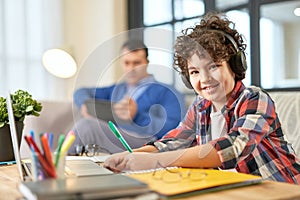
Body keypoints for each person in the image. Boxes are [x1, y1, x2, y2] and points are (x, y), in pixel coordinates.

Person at [104, 12, 300, 184]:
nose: (205, 79)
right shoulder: (201, 107)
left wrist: (156, 161)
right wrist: (129, 156)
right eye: (195, 71)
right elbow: (173, 143)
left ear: (235, 66)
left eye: (213, 66)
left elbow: (233, 148)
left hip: (281, 190)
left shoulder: (255, 99)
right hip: (235, 189)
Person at [69, 39, 186, 155]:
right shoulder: (117, 89)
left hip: (145, 141)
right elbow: (80, 92)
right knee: (86, 125)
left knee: (87, 126)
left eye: (137, 63)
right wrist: (85, 103)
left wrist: (137, 117)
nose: (131, 69)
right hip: (116, 135)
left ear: (147, 62)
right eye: (127, 63)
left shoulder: (167, 92)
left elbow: (175, 128)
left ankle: (58, 165)